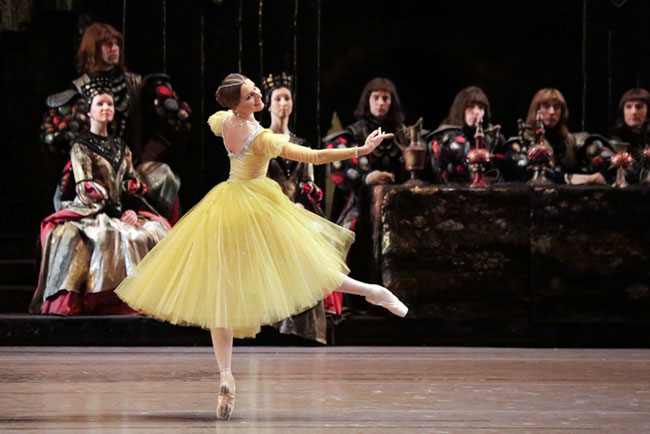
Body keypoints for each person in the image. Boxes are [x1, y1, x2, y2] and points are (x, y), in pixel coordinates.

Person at [115, 73, 408, 420]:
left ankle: (226, 376)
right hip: (256, 207)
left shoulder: (224, 122)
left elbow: (214, 118)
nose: (259, 98)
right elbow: (312, 156)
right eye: (252, 96)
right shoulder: (262, 138)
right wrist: (360, 150)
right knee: (301, 267)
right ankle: (371, 291)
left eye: (256, 92)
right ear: (239, 104)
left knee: (223, 293)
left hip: (224, 206)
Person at [29, 91, 171, 315]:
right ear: (90, 112)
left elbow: (129, 182)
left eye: (110, 104)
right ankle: (105, 300)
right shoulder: (81, 147)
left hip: (120, 208)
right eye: (100, 104)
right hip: (91, 210)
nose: (106, 108)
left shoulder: (121, 147)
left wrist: (132, 210)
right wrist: (117, 212)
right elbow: (85, 186)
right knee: (108, 236)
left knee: (157, 230)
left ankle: (145, 298)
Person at [40, 22, 190, 223]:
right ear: (93, 49)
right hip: (93, 172)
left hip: (132, 165)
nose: (113, 48)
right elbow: (57, 136)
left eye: (116, 44)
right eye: (106, 44)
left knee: (165, 176)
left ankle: (165, 240)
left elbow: (176, 119)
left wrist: (148, 154)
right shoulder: (78, 89)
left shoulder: (135, 83)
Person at [262, 72, 328, 343]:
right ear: (269, 104)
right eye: (277, 98)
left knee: (313, 238)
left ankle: (302, 325)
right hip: (267, 211)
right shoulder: (261, 141)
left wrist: (302, 202)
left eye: (287, 98)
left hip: (296, 211)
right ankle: (271, 321)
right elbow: (255, 181)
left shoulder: (300, 145)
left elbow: (307, 183)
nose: (282, 103)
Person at [428, 86, 504, 183]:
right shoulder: (446, 135)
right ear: (461, 108)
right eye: (471, 106)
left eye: (481, 108)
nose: (477, 112)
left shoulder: (491, 136)